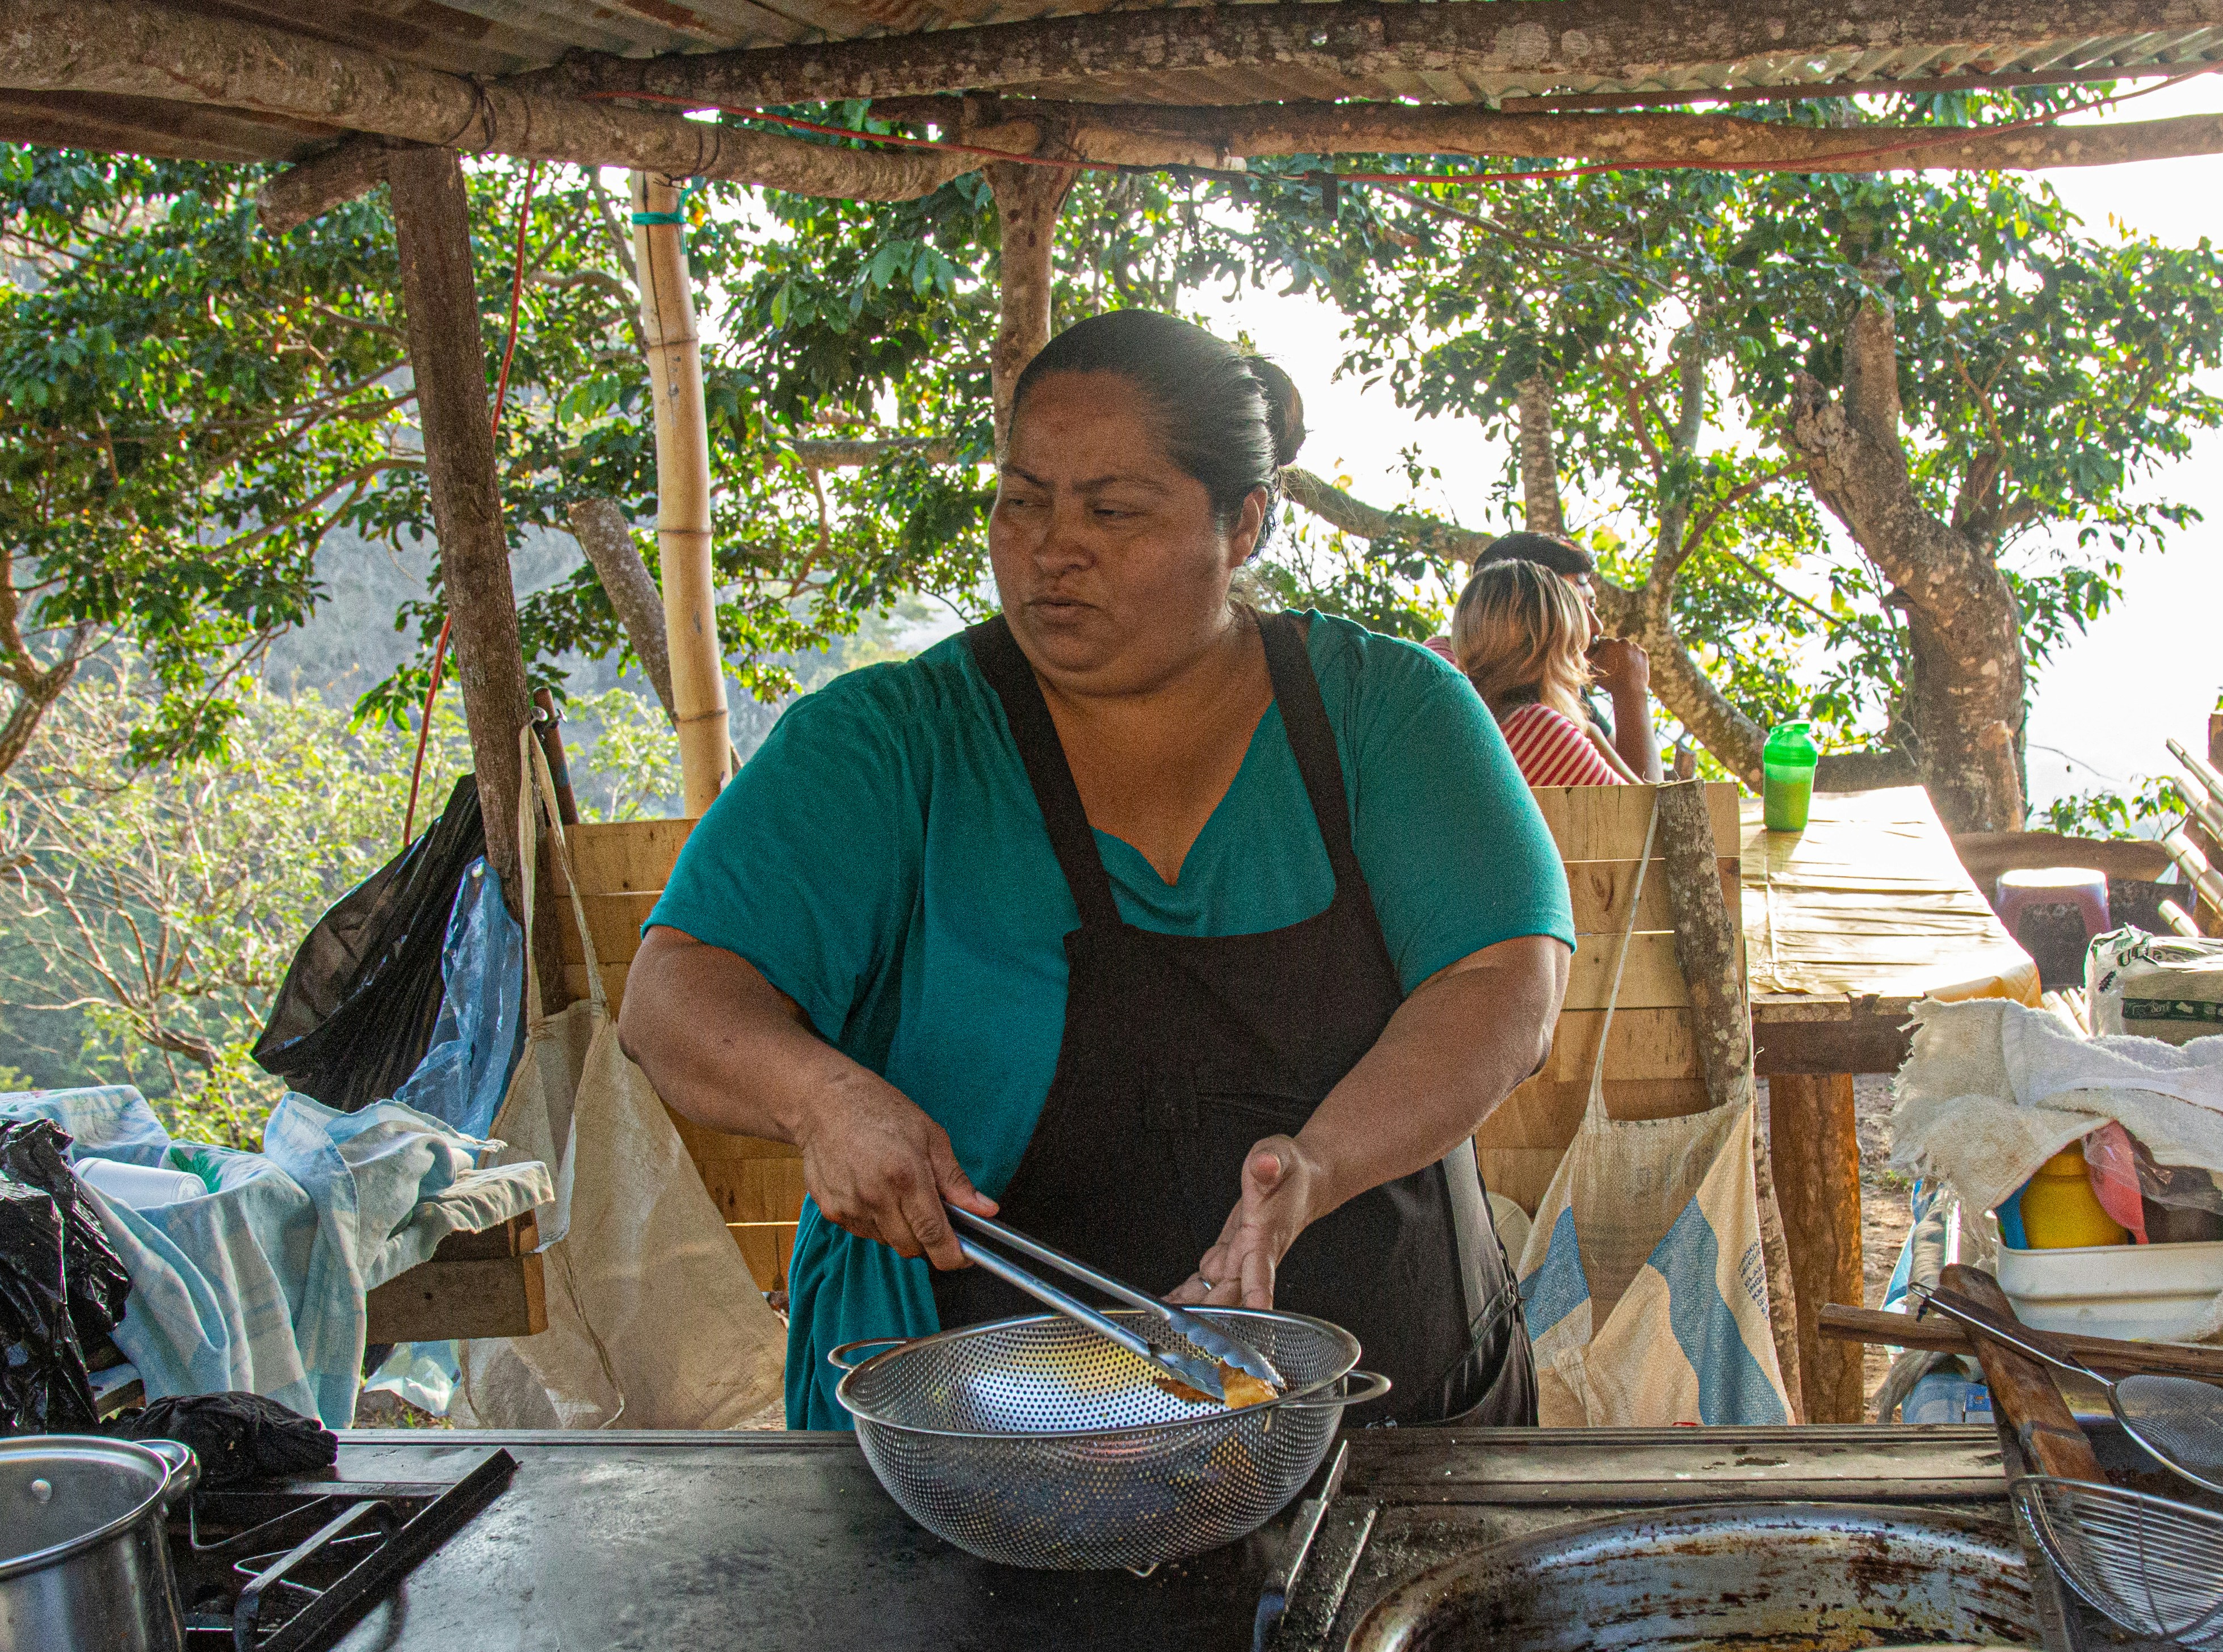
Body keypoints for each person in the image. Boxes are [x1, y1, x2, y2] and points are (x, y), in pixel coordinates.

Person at [621, 309, 1567, 1430]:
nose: (1052, 545)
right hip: (982, 1444)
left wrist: (1311, 1167)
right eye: (1022, 499)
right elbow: (674, 994)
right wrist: (816, 1093)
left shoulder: (1389, 710)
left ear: (1245, 523)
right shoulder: (892, 743)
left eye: (1113, 509)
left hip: (1395, 1420)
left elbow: (1505, 981)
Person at [1431, 531, 1657, 779]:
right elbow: (1649, 811)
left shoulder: (1537, 703)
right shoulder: (1442, 668)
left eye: (1590, 607)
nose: (1594, 627)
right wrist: (1630, 693)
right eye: (1572, 610)